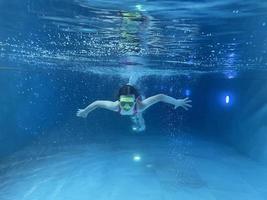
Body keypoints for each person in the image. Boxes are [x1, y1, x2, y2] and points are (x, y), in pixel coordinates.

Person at [76, 84, 192, 132]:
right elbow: (97, 103)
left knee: (139, 114)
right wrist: (85, 111)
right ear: (119, 100)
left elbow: (160, 97)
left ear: (136, 99)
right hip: (135, 107)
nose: (126, 106)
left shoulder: (140, 105)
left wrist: (176, 102)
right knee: (138, 112)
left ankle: (141, 122)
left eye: (130, 102)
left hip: (138, 109)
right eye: (123, 102)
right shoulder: (116, 106)